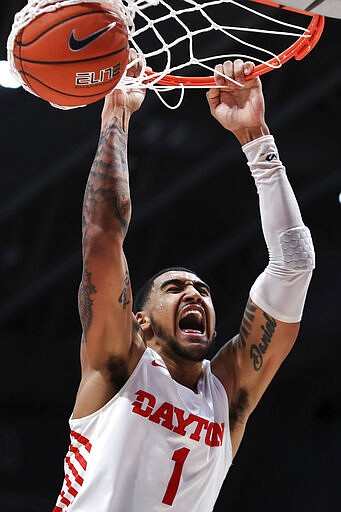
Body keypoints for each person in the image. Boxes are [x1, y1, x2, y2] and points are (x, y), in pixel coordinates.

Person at [53, 53, 315, 512]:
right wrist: (115, 114)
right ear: (141, 323)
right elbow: (101, 237)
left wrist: (256, 138)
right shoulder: (120, 366)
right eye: (174, 288)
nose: (194, 293)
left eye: (202, 291)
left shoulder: (228, 394)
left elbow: (293, 263)